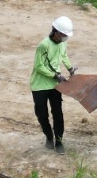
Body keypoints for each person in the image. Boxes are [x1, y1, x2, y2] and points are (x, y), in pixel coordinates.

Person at [30, 16, 76, 152]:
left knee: (58, 113)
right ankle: (49, 136)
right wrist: (56, 75)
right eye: (64, 35)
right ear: (56, 32)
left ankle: (59, 141)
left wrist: (70, 68)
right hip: (39, 85)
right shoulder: (43, 45)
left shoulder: (62, 43)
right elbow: (39, 66)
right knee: (42, 114)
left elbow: (63, 55)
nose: (65, 38)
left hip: (55, 85)